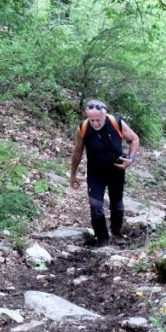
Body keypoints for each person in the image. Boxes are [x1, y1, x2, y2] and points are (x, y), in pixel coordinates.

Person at [69, 99, 140, 246]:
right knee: (95, 205)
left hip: (116, 169)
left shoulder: (116, 122)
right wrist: (73, 174)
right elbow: (77, 152)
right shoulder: (83, 128)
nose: (95, 123)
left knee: (117, 204)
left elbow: (134, 139)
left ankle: (116, 232)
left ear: (105, 114)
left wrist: (131, 159)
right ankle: (102, 238)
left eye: (98, 120)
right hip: (95, 172)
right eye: (92, 119)